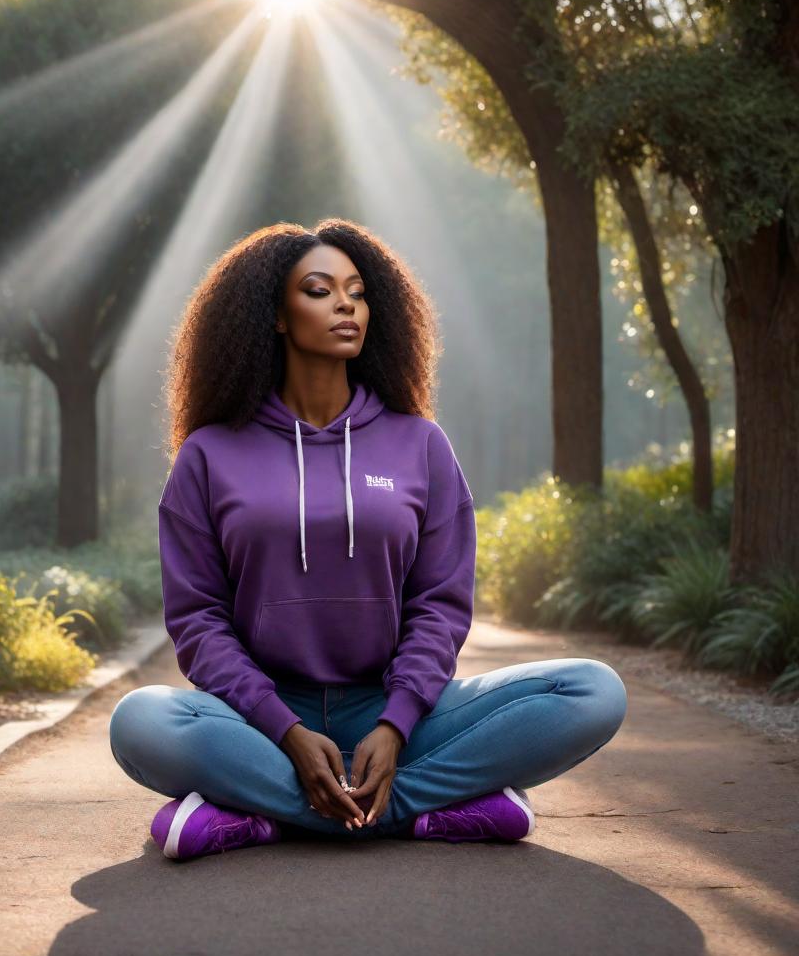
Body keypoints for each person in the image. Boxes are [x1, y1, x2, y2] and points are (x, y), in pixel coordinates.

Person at [109, 218, 628, 862]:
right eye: (320, 290)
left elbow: (440, 605)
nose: (346, 304)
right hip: (258, 720)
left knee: (591, 691)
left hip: (398, 710)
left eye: (356, 290)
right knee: (140, 722)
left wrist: (397, 720)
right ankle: (422, 810)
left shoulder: (421, 444)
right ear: (274, 315)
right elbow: (197, 621)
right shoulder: (210, 455)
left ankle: (265, 814)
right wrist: (287, 730)